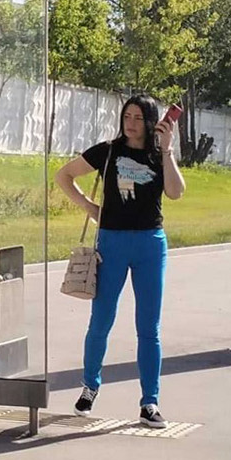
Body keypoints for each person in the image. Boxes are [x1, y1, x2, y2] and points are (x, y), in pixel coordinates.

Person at [54, 93, 186, 426]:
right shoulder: (108, 150)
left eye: (139, 117)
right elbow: (63, 176)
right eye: (127, 116)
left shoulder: (158, 155)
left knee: (149, 327)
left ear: (151, 120)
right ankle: (89, 387)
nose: (131, 123)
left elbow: (176, 192)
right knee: (101, 320)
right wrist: (90, 208)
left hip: (150, 244)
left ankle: (149, 402)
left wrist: (167, 149)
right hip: (111, 242)